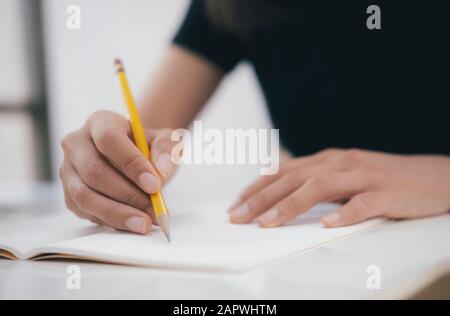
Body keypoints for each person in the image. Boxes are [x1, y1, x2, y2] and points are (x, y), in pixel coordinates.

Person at [59, 0, 450, 234]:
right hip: (320, 258)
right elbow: (147, 139)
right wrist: (106, 160)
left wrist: (439, 176)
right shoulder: (230, 6)